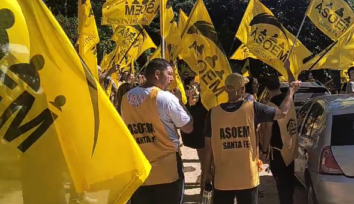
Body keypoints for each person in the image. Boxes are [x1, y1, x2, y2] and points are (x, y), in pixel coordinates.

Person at [203, 73, 300, 204]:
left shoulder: (213, 114)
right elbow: (282, 112)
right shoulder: (253, 108)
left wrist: (206, 171)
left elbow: (208, 147)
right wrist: (291, 91)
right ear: (243, 90)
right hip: (247, 178)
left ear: (226, 89)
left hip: (223, 179)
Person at [122, 59, 194, 204]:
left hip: (140, 172)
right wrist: (181, 102)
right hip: (167, 172)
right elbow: (188, 127)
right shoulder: (166, 98)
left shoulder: (126, 99)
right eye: (169, 74)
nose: (172, 78)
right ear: (157, 74)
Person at [260, 75, 299, 204]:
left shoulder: (269, 106)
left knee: (282, 186)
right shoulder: (289, 99)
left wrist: (264, 150)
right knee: (289, 184)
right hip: (290, 150)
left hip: (277, 152)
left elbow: (267, 130)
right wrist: (288, 69)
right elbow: (294, 83)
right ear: (279, 84)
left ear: (266, 88)